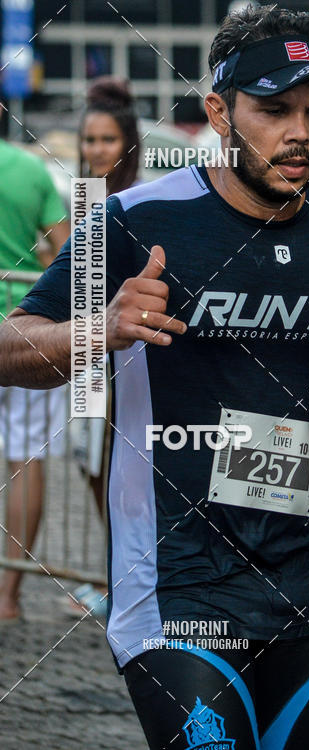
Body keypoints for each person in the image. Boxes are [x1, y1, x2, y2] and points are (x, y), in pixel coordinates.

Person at [0, 5, 309, 750]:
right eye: (274, 111)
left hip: (304, 584)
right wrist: (100, 328)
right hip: (176, 580)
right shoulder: (135, 220)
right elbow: (9, 346)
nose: (300, 133)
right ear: (219, 111)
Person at [69, 76, 142, 616]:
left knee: (129, 473)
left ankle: (134, 582)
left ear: (128, 143)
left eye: (107, 140)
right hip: (89, 357)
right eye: (89, 140)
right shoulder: (83, 197)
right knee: (92, 467)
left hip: (134, 362)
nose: (97, 150)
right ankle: (117, 578)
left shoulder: (142, 201)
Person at [0, 114, 70, 622]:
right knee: (25, 459)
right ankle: (7, 595)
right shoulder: (28, 170)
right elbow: (70, 252)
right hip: (24, 330)